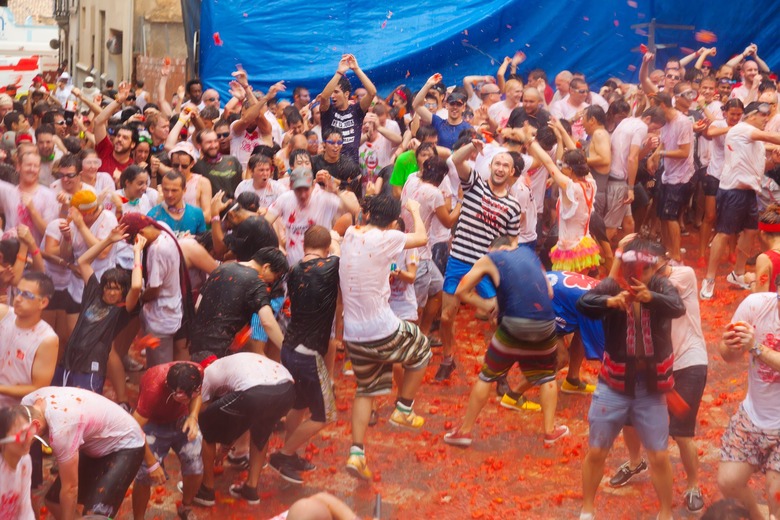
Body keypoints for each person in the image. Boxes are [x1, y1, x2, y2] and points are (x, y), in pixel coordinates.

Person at [576, 238, 686, 520]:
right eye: (633, 271)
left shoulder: (661, 287)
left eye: (646, 271)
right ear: (625, 270)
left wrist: (652, 298)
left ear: (653, 270)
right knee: (597, 450)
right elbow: (584, 303)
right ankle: (587, 510)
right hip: (612, 384)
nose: (639, 277)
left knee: (660, 455)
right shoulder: (613, 286)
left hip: (650, 387)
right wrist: (610, 301)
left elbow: (677, 307)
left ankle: (665, 513)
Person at [606, 241, 709, 513]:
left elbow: (671, 299)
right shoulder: (633, 281)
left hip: (688, 361)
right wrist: (619, 255)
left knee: (681, 431)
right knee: (629, 419)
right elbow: (604, 290)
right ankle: (635, 461)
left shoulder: (681, 274)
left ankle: (693, 484)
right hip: (654, 364)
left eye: (650, 262)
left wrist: (643, 275)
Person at [339, 194, 431, 480]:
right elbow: (421, 238)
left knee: (365, 390)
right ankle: (403, 407)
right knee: (423, 349)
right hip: (380, 327)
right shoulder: (388, 238)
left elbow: (359, 217)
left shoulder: (352, 233)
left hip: (352, 334)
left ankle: (356, 453)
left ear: (366, 217)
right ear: (393, 223)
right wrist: (415, 211)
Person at [443, 241, 569, 447]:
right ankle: (549, 431)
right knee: (547, 376)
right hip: (545, 323)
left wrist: (489, 305)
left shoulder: (490, 258)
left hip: (514, 323)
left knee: (487, 375)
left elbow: (461, 290)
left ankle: (464, 431)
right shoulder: (530, 253)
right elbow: (550, 293)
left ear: (494, 248)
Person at [438, 139, 521, 381]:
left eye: (506, 165)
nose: (501, 168)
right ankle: (447, 357)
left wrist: (506, 269)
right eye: (497, 163)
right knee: (445, 317)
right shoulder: (475, 185)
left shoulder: (513, 206)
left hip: (486, 267)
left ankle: (500, 371)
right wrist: (472, 148)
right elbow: (456, 159)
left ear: (512, 171)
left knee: (497, 319)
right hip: (458, 260)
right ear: (491, 166)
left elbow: (512, 242)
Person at [269, 226, 340, 485]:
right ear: (327, 248)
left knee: (298, 405)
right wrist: (337, 241)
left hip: (289, 349)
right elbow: (339, 255)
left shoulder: (295, 268)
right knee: (325, 415)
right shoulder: (331, 266)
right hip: (309, 355)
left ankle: (291, 453)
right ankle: (283, 454)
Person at [22, 387, 146, 519]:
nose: (23, 446)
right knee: (54, 503)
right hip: (94, 440)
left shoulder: (61, 430)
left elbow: (70, 488)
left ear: (35, 425)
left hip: (125, 444)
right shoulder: (26, 405)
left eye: (23, 440)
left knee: (94, 516)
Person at [701, 101, 780, 299]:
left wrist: (774, 161)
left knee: (751, 232)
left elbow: (760, 169)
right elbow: (773, 137)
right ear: (751, 116)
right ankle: (709, 279)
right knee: (724, 234)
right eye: (763, 116)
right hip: (732, 191)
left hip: (748, 192)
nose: (766, 119)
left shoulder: (755, 141)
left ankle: (737, 273)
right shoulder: (741, 129)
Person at [195, 352, 295, 506]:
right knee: (262, 431)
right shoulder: (232, 362)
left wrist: (223, 445)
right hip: (287, 390)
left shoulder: (206, 373)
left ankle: (206, 490)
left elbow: (203, 413)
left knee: (205, 425)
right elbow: (243, 417)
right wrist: (226, 445)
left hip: (256, 391)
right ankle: (251, 489)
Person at [52, 225, 142, 393]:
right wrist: (108, 240)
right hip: (68, 361)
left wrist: (137, 252)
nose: (110, 292)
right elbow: (83, 262)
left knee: (84, 410)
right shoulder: (94, 293)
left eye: (116, 289)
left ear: (123, 292)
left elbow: (136, 286)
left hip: (91, 369)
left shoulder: (121, 310)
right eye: (107, 287)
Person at [717, 290, 780, 519]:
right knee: (728, 481)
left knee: (776, 495)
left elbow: (755, 348)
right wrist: (732, 345)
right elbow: (727, 356)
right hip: (752, 415)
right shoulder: (756, 305)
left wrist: (755, 347)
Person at [131, 362, 203, 520]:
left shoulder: (196, 371)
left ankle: (186, 505)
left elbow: (198, 396)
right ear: (172, 391)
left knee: (195, 465)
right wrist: (151, 464)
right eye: (186, 396)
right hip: (153, 424)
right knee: (143, 475)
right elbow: (133, 430)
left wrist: (193, 416)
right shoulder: (153, 389)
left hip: (182, 419)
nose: (190, 398)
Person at [189, 247, 288, 359]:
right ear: (266, 267)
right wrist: (287, 351)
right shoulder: (257, 282)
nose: (273, 281)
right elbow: (267, 322)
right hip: (221, 349)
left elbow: (198, 305)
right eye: (275, 277)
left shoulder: (222, 268)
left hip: (195, 342)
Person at [528, 124, 600, 273]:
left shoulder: (569, 187)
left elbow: (549, 163)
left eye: (563, 165)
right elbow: (579, 156)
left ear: (571, 169)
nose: (560, 167)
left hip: (570, 249)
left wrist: (531, 142)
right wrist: (561, 132)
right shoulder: (591, 183)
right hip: (584, 244)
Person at [265, 167, 359, 265]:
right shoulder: (285, 199)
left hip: (320, 265)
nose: (303, 195)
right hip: (293, 265)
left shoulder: (323, 198)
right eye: (298, 190)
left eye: (306, 189)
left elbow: (354, 210)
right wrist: (278, 244)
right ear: (291, 186)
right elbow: (265, 223)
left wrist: (336, 192)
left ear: (313, 186)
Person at [605, 107, 666, 239]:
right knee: (611, 227)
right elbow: (632, 158)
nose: (653, 131)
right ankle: (599, 258)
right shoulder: (641, 127)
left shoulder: (627, 121)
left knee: (628, 222)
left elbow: (635, 157)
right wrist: (630, 188)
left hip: (615, 176)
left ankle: (629, 251)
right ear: (648, 119)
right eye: (654, 127)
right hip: (619, 180)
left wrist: (648, 147)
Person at [0, 272, 58, 407]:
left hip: (13, 412)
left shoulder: (47, 339)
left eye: (26, 295)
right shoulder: (4, 314)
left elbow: (38, 388)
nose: (18, 299)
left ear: (43, 302)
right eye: (17, 292)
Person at [319, 54, 376, 164]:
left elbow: (372, 92)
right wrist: (339, 73)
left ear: (346, 94)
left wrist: (356, 69)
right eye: (332, 92)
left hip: (351, 169)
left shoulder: (357, 110)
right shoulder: (327, 111)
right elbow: (324, 96)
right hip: (329, 168)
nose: (332, 96)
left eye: (336, 92)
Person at [414, 75, 473, 149]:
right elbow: (416, 105)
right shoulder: (438, 122)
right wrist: (428, 84)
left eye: (458, 104)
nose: (455, 107)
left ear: (463, 108)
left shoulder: (468, 128)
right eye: (452, 104)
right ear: (447, 105)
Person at [0, 405, 38, 520]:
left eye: (29, 431)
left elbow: (25, 508)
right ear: (3, 441)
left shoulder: (25, 461)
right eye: (22, 434)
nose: (28, 439)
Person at [147, 171, 207, 236]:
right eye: (166, 190)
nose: (169, 195)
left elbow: (202, 243)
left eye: (174, 190)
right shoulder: (152, 216)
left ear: (184, 190)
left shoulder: (197, 214)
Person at [192, 129, 243, 198]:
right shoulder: (196, 165)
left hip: (234, 206)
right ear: (199, 146)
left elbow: (242, 186)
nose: (213, 146)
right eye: (209, 142)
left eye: (215, 141)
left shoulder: (232, 160)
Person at [170, 140, 213, 221]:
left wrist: (185, 220)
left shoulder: (202, 182)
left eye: (184, 166)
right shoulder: (167, 181)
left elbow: (207, 215)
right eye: (176, 165)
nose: (179, 169)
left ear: (192, 164)